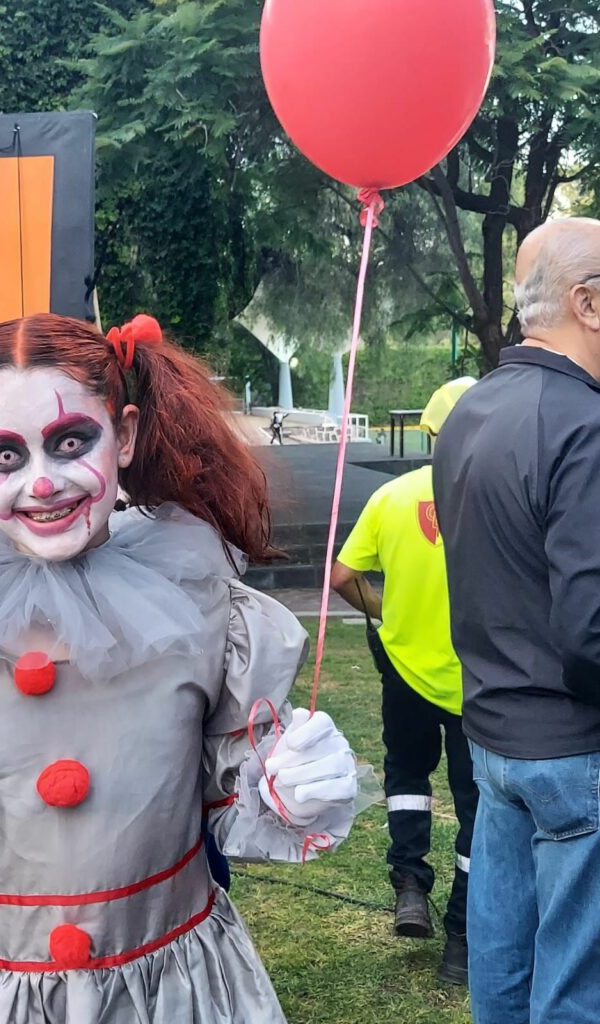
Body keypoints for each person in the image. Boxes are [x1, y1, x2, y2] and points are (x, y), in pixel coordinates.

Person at [0, 312, 377, 1024]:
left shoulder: (200, 613)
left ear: (124, 435)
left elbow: (237, 806)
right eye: (5, 455)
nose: (43, 483)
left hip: (172, 994)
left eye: (72, 442)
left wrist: (293, 791)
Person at [433, 217, 600, 1024]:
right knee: (574, 989)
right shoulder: (585, 424)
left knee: (501, 972)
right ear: (587, 304)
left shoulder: (470, 409)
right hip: (574, 750)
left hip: (493, 740)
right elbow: (591, 630)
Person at [331, 378, 477, 986]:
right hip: (479, 684)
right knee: (477, 809)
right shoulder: (501, 493)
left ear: (429, 432)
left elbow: (342, 577)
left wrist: (384, 612)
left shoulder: (391, 497)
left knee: (407, 778)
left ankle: (410, 886)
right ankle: (461, 940)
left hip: (405, 672)